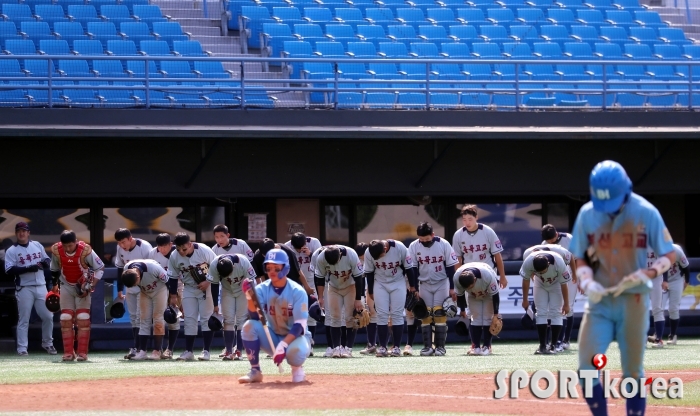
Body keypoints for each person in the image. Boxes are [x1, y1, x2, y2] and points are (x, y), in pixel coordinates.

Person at [570, 160, 675, 416]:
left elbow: (669, 254)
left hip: (635, 300)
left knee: (633, 372)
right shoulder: (587, 213)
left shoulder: (646, 211)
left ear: (627, 190)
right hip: (599, 302)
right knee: (586, 367)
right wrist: (586, 280)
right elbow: (580, 255)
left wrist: (647, 273)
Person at [238, 249, 311, 384]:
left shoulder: (297, 291)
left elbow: (300, 326)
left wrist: (283, 345)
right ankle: (255, 371)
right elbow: (255, 316)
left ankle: (297, 369)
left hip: (297, 337)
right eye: (269, 267)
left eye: (277, 268)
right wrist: (249, 297)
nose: (272, 271)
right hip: (273, 336)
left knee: (295, 352)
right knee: (249, 326)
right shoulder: (262, 289)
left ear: (286, 268)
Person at [50, 230, 105, 361]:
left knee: (83, 317)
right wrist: (54, 286)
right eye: (65, 246)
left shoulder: (85, 250)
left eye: (70, 245)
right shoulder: (56, 251)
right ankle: (68, 352)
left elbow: (100, 268)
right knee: (65, 318)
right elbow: (54, 269)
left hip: (82, 286)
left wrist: (91, 285)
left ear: (75, 242)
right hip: (66, 286)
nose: (68, 248)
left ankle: (82, 353)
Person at [5, 222, 56, 356]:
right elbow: (9, 270)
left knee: (48, 316)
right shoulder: (12, 250)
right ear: (16, 233)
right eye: (19, 231)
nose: (21, 233)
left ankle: (48, 343)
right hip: (24, 288)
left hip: (41, 286)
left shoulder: (37, 245)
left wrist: (45, 263)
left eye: (24, 231)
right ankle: (22, 348)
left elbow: (47, 260)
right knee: (24, 319)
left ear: (28, 232)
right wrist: (27, 268)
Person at [407, 222, 458, 356]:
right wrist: (414, 287)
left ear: (433, 235)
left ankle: (440, 347)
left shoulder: (443, 244)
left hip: (442, 282)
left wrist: (452, 288)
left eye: (427, 239)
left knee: (439, 313)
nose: (424, 242)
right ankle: (428, 347)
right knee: (425, 314)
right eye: (421, 239)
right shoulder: (414, 246)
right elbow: (412, 268)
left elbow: (451, 267)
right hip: (424, 283)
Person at [167, 232, 217, 361]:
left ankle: (206, 351)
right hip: (189, 287)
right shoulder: (174, 255)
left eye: (184, 249)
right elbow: (172, 277)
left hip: (207, 287)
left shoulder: (204, 250)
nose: (181, 252)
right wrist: (173, 296)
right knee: (189, 319)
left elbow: (216, 268)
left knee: (206, 318)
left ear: (190, 244)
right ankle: (189, 351)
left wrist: (208, 281)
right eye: (178, 249)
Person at [364, 239, 416, 357]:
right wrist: (371, 291)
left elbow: (409, 268)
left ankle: (396, 347)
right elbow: (370, 272)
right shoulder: (369, 252)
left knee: (397, 314)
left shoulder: (400, 247)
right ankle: (382, 347)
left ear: (385, 249)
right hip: (380, 282)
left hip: (397, 281)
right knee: (382, 314)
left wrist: (412, 287)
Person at [314, 245, 364, 358]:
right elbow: (320, 278)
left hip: (351, 286)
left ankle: (348, 349)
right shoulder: (321, 257)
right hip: (333, 287)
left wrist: (358, 299)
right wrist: (320, 297)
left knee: (350, 317)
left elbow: (359, 278)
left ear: (340, 255)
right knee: (334, 317)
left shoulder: (351, 254)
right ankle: (336, 348)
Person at [520, 250, 571, 355]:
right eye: (539, 271)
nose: (542, 272)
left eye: (543, 270)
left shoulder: (558, 262)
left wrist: (566, 303)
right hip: (540, 283)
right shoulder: (529, 261)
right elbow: (526, 280)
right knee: (540, 312)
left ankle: (553, 346)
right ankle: (542, 345)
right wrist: (525, 299)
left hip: (556, 283)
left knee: (556, 312)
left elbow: (564, 284)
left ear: (548, 264)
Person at [207, 253, 256, 360]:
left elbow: (252, 281)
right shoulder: (215, 264)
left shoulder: (243, 262)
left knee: (241, 320)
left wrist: (253, 300)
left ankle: (239, 351)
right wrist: (215, 305)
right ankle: (228, 351)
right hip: (227, 290)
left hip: (243, 290)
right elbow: (214, 285)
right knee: (228, 320)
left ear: (233, 266)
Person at [114, 228, 153, 359]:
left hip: (144, 287)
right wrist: (120, 289)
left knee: (141, 317)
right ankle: (136, 347)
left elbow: (152, 268)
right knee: (133, 318)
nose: (121, 245)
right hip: (130, 287)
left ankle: (142, 348)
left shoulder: (145, 247)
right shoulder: (120, 249)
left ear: (130, 238)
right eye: (119, 242)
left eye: (123, 242)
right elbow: (120, 269)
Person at [122, 259, 170, 360]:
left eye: (135, 283)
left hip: (159, 290)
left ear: (138, 276)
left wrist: (172, 297)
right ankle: (142, 351)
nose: (135, 286)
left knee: (158, 318)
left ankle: (157, 350)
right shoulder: (127, 268)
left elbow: (167, 280)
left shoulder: (153, 268)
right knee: (143, 319)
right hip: (144, 291)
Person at [541, 224, 579, 350]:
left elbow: (578, 258)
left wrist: (577, 276)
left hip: (570, 274)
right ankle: (557, 341)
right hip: (555, 278)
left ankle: (564, 341)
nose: (549, 242)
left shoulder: (568, 238)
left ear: (556, 234)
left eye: (551, 240)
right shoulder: (543, 244)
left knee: (569, 308)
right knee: (556, 308)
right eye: (548, 241)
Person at [452, 205, 507, 289]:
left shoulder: (487, 231)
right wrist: (459, 277)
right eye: (464, 220)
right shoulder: (458, 235)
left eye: (470, 219)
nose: (467, 222)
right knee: (471, 301)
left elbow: (497, 255)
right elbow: (457, 259)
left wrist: (502, 276)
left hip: (488, 271)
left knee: (491, 299)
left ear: (476, 217)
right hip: (469, 274)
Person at [285, 232, 322, 352]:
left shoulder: (315, 243)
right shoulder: (287, 246)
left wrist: (311, 255)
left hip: (311, 281)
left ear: (305, 242)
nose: (299, 250)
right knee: (293, 314)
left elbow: (321, 264)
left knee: (312, 313)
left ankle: (310, 344)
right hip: (294, 283)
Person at [646, 243, 689, 347]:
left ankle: (671, 335)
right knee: (654, 307)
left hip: (674, 280)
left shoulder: (676, 250)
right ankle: (654, 335)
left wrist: (686, 282)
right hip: (655, 277)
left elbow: (686, 267)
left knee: (672, 308)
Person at [454, 262, 501, 356]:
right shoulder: (457, 277)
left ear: (475, 279)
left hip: (488, 293)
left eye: (470, 286)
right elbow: (461, 295)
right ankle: (476, 347)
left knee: (488, 317)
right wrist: (462, 310)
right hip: (472, 295)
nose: (470, 288)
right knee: (475, 318)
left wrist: (496, 314)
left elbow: (495, 295)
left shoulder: (487, 275)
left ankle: (487, 347)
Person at [147, 234, 180, 359]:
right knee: (157, 318)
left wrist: (175, 294)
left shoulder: (177, 252)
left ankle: (169, 349)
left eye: (165, 246)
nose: (162, 249)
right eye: (159, 246)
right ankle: (158, 349)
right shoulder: (152, 253)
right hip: (158, 286)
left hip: (177, 285)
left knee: (173, 318)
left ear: (170, 244)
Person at [355, 242, 378, 355]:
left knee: (386, 318)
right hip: (367, 291)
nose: (361, 258)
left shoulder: (375, 257)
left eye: (362, 255)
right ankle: (371, 344)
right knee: (369, 317)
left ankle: (390, 345)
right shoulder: (358, 262)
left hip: (378, 289)